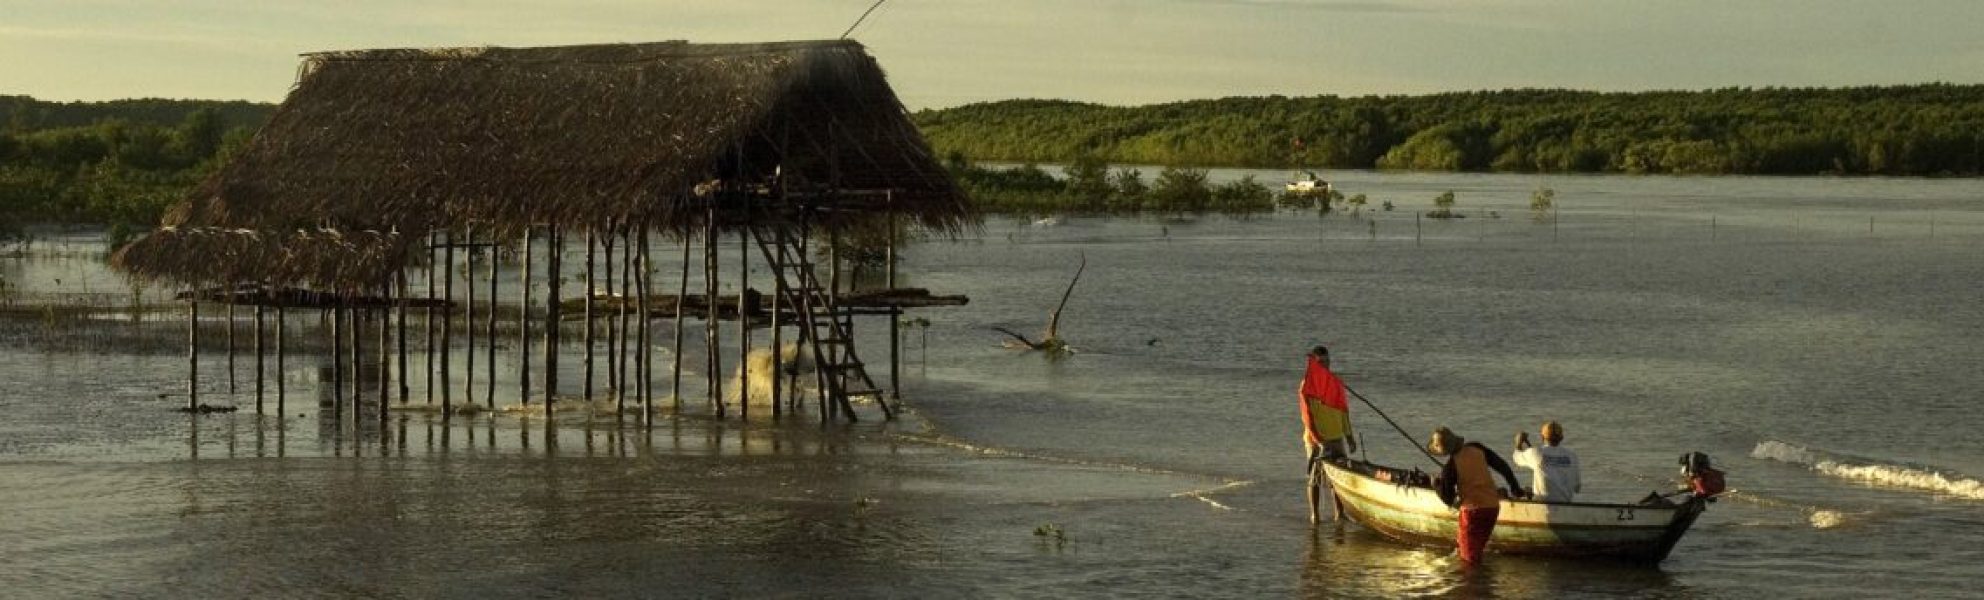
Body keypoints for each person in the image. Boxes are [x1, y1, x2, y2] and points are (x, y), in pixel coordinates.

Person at [1429, 427, 1526, 565]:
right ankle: (1484, 583)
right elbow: (1502, 466)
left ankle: (1474, 584)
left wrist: (1436, 485)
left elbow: (1448, 499)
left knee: (1469, 561)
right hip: (1492, 508)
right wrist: (1515, 489)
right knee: (1476, 550)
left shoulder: (1449, 468)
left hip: (1472, 512)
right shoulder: (1477, 448)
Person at [1300, 345, 1356, 524]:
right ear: (1315, 363)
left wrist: (1349, 437)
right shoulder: (1308, 385)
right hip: (1317, 439)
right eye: (1321, 363)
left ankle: (1339, 513)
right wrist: (1317, 439)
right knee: (1315, 478)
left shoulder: (1335, 382)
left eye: (1327, 362)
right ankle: (1315, 515)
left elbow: (1343, 411)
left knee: (1339, 477)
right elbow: (1306, 415)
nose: (1325, 365)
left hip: (1337, 437)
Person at [1513, 421, 1582, 503]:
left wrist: (1518, 442)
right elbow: (1577, 488)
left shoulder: (1535, 452)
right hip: (1565, 502)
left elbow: (1516, 457)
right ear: (1561, 438)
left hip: (1543, 503)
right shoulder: (1572, 455)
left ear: (1542, 437)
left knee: (1525, 491)